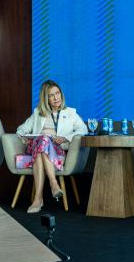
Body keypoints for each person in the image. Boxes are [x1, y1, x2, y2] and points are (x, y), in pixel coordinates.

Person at [16, 80, 88, 213]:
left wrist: (66, 137)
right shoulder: (38, 113)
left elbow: (83, 129)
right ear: (45, 98)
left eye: (57, 93)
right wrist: (24, 137)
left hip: (56, 151)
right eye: (51, 95)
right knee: (43, 139)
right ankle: (54, 184)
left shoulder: (71, 113)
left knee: (42, 145)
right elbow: (21, 129)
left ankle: (38, 199)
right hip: (37, 148)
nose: (56, 98)